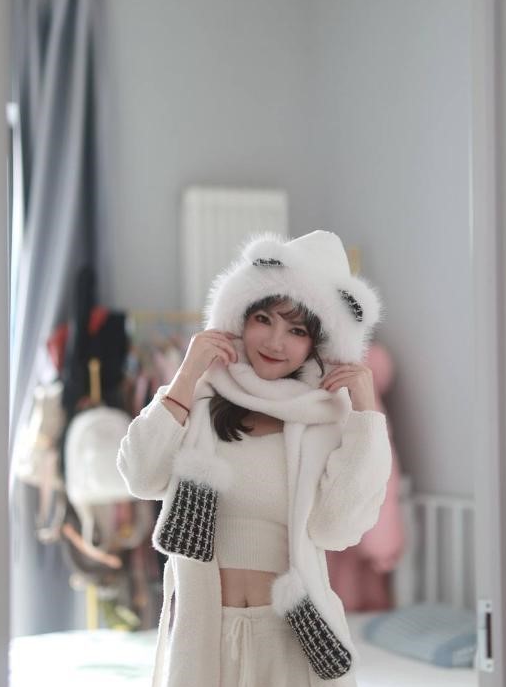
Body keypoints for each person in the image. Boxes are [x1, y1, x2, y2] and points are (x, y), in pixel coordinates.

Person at [117, 230, 392, 687]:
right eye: (264, 318)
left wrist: (366, 414)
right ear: (240, 318)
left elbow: (336, 528)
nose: (276, 341)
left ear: (317, 344)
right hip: (205, 631)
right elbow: (141, 475)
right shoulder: (201, 401)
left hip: (290, 640)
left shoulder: (326, 421)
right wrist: (188, 373)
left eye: (297, 330)